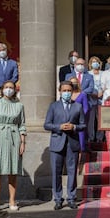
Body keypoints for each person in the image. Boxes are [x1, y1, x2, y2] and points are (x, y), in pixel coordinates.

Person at [0, 80, 26, 212]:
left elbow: (22, 125)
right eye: (6, 87)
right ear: (2, 89)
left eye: (11, 87)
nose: (9, 89)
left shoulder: (20, 106)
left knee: (12, 171)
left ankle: (12, 200)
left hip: (14, 137)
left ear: (15, 90)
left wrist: (23, 142)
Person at [44, 81, 86, 210]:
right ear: (60, 91)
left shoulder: (78, 106)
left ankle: (72, 197)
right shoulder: (53, 106)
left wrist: (74, 127)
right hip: (57, 142)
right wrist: (59, 127)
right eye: (64, 91)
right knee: (56, 172)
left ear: (72, 92)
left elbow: (83, 125)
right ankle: (57, 198)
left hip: (72, 143)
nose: (67, 93)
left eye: (69, 91)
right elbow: (47, 124)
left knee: (72, 172)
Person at [68, 76, 89, 153]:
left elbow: (85, 108)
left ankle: (80, 162)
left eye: (75, 82)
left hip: (79, 122)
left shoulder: (83, 94)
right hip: (69, 121)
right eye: (72, 83)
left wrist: (80, 117)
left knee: (80, 143)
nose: (73, 84)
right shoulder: (67, 95)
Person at [87, 56, 104, 143]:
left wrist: (102, 92)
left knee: (101, 120)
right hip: (91, 99)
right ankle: (90, 137)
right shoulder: (88, 73)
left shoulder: (103, 73)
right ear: (90, 64)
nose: (95, 63)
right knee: (91, 120)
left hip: (101, 99)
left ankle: (100, 137)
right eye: (93, 61)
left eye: (97, 61)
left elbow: (105, 84)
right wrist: (94, 94)